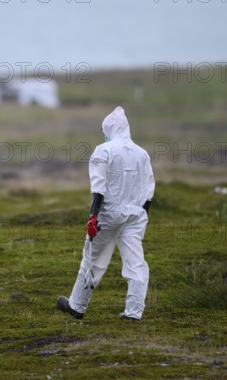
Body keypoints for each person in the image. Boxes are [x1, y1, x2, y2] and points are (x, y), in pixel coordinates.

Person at [57, 106, 155, 320]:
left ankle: (76, 307)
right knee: (135, 262)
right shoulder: (142, 153)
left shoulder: (104, 150)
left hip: (108, 215)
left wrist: (93, 216)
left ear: (109, 128)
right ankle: (134, 311)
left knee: (93, 260)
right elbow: (149, 191)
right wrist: (141, 216)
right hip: (135, 215)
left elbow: (98, 187)